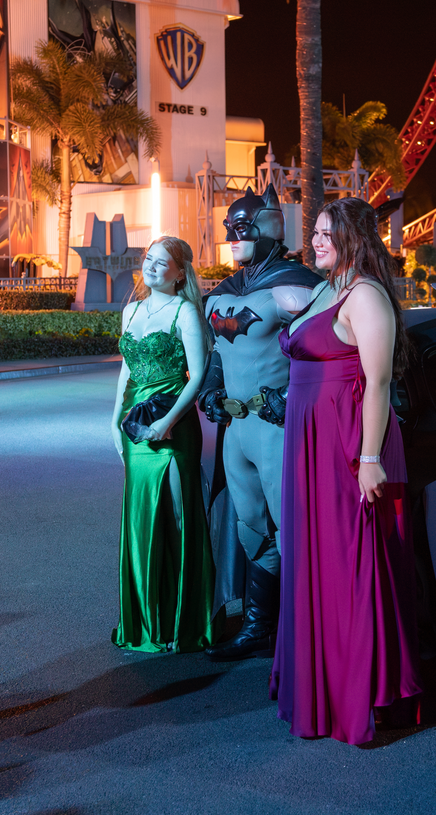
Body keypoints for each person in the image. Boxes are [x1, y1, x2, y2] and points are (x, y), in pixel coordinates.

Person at [272, 196, 422, 744]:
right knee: (314, 562)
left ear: (354, 237)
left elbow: (378, 384)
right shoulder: (322, 291)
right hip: (307, 445)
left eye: (326, 234)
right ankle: (318, 688)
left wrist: (369, 459)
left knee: (347, 566)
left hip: (345, 446)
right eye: (313, 232)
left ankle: (353, 697)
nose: (315, 241)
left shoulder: (366, 297)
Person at [198, 187, 321, 660]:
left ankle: (303, 631)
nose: (232, 235)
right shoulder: (225, 292)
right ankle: (259, 628)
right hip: (238, 430)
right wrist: (210, 390)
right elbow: (216, 355)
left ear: (268, 227)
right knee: (252, 526)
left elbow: (326, 353)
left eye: (242, 226)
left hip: (278, 427)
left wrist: (292, 396)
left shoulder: (298, 286)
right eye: (229, 226)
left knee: (293, 529)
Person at [110, 236, 216, 653]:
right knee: (140, 521)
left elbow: (198, 374)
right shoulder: (131, 310)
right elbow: (126, 370)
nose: (153, 267)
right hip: (137, 428)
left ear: (180, 271)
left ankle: (182, 622)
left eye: (162, 262)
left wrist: (170, 422)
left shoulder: (185, 311)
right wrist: (113, 420)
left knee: (177, 518)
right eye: (149, 260)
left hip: (175, 428)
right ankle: (146, 621)